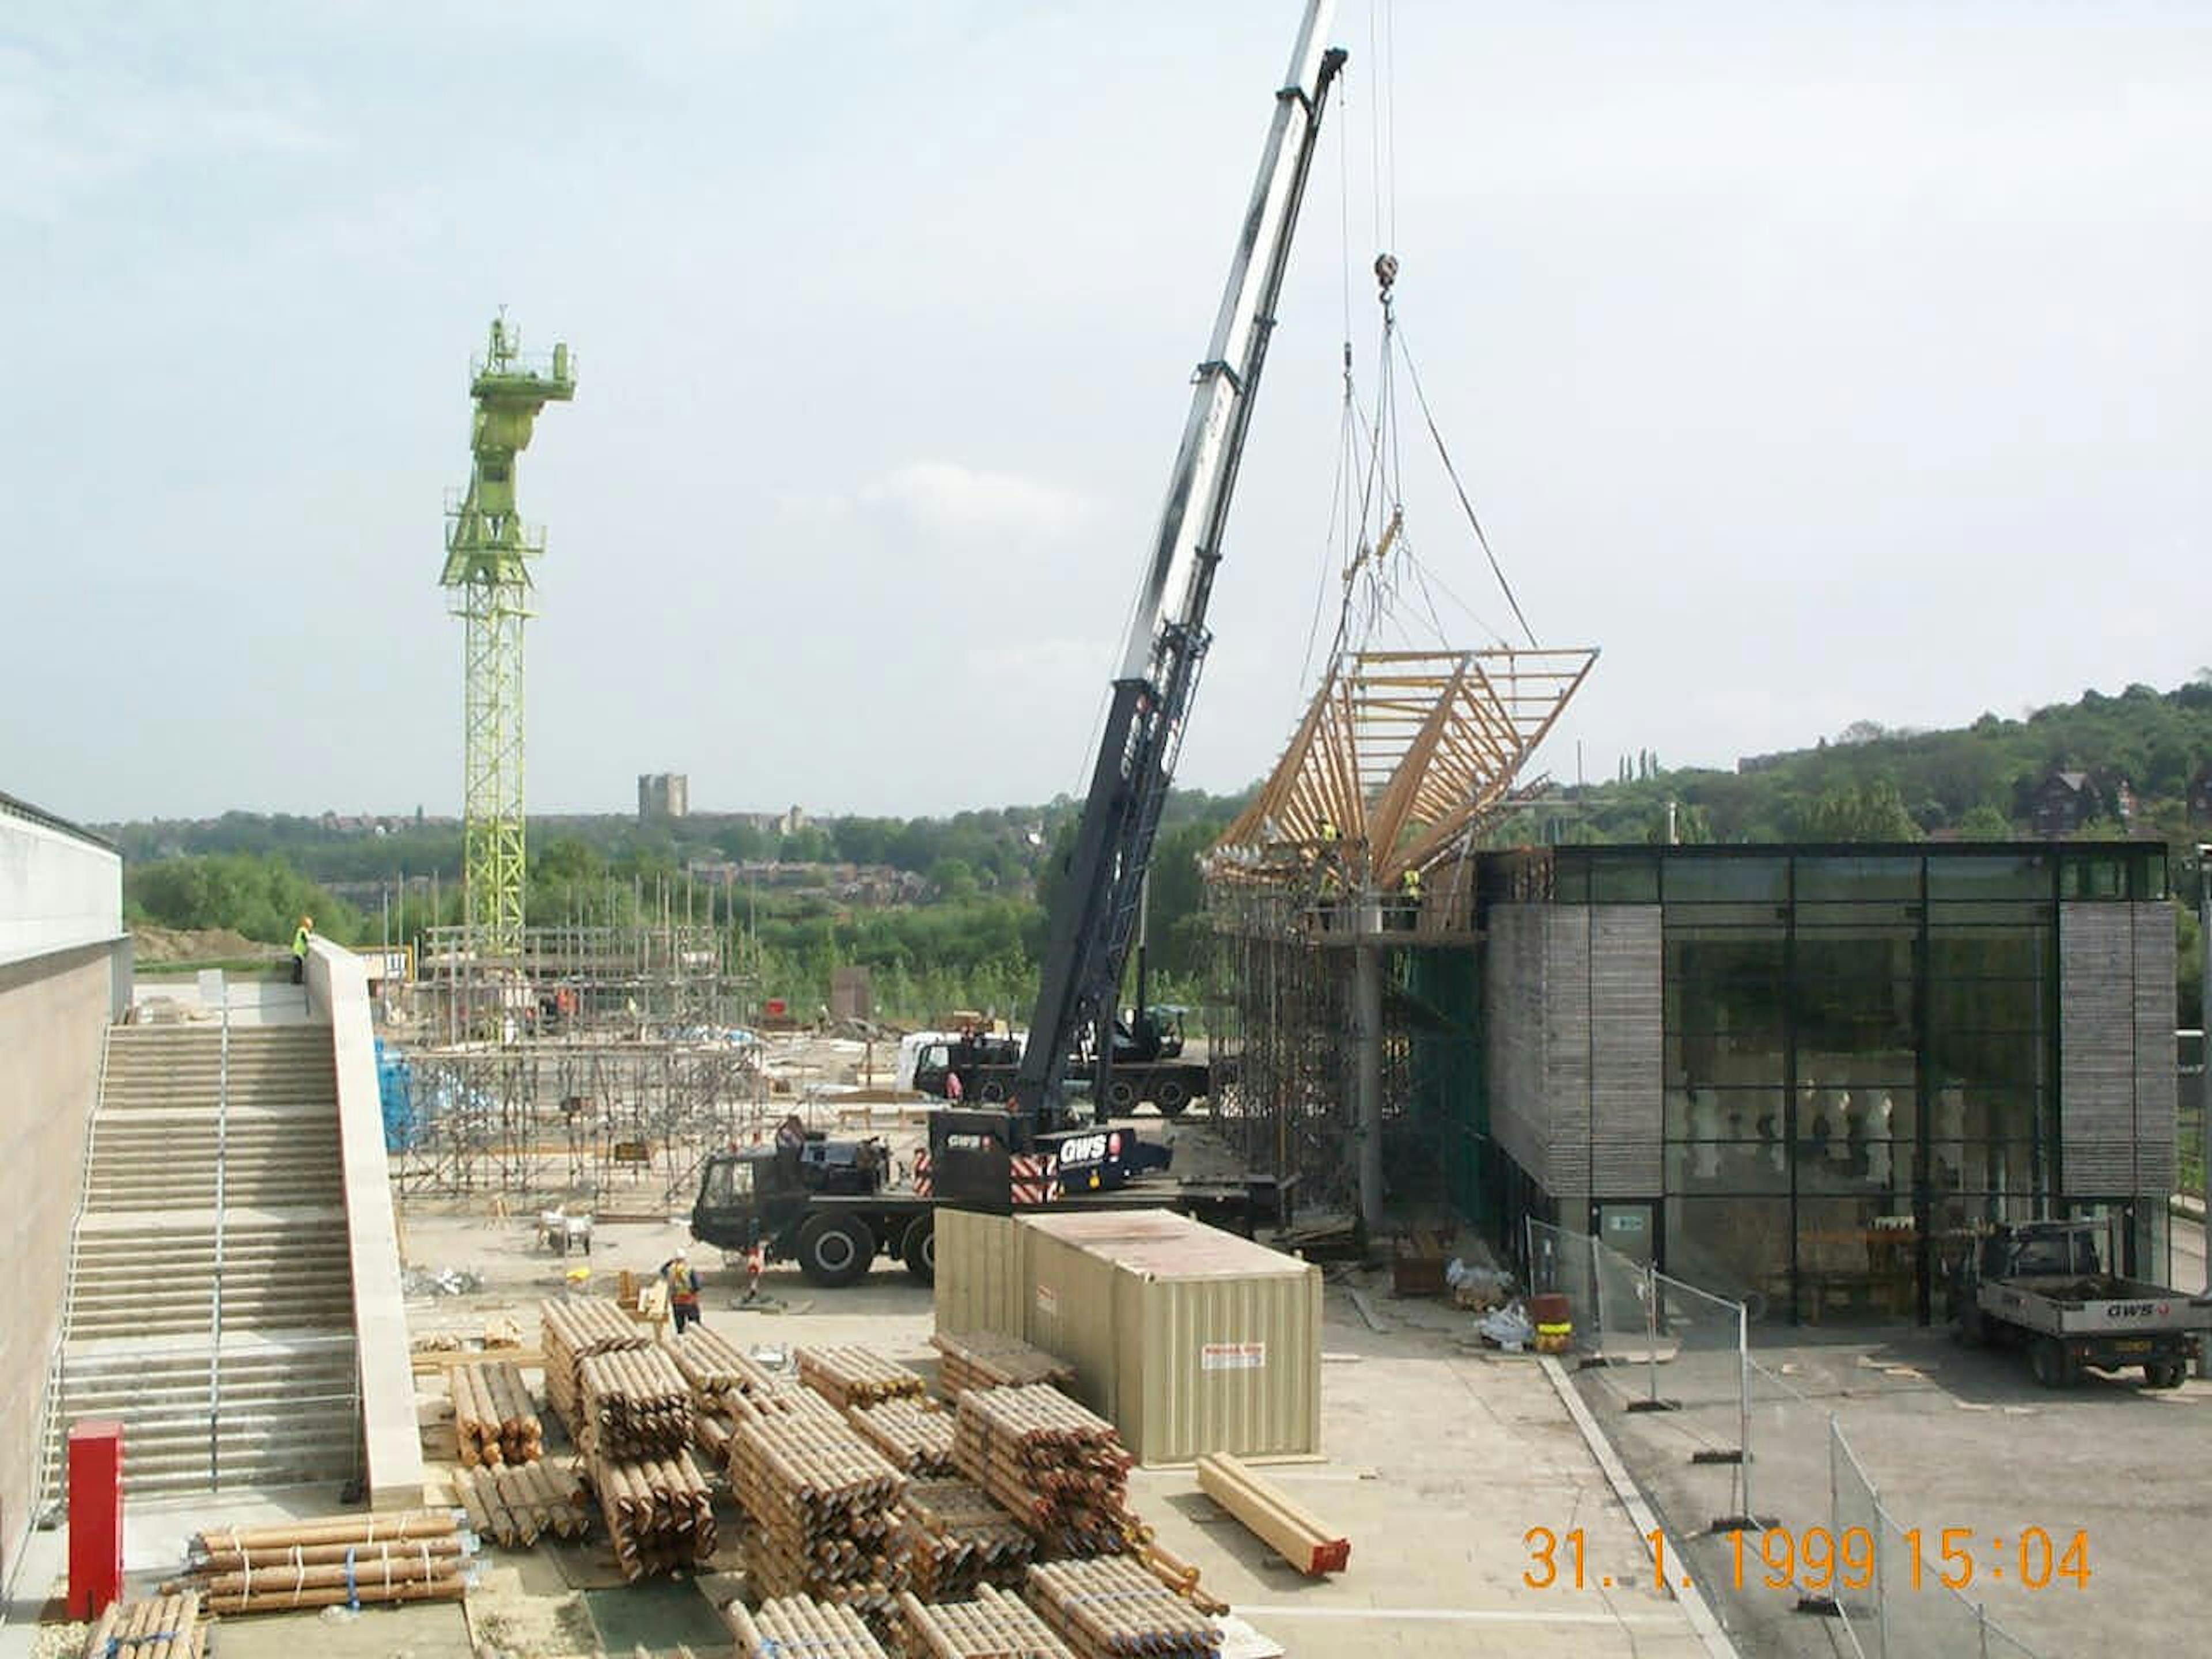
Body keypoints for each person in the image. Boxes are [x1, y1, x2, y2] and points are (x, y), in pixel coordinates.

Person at [661, 1250, 703, 1333]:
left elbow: (662, 1270)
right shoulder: (689, 1270)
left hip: (677, 1303)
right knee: (695, 1326)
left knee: (680, 1329)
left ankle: (682, 1342)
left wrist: (671, 1262)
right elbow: (697, 1286)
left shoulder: (670, 1271)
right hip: (690, 1302)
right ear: (685, 1259)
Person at [290, 915, 313, 984]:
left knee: (297, 967)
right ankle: (297, 981)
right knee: (298, 968)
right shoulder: (303, 930)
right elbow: (308, 939)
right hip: (298, 952)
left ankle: (296, 981)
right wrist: (314, 939)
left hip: (297, 951)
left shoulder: (301, 930)